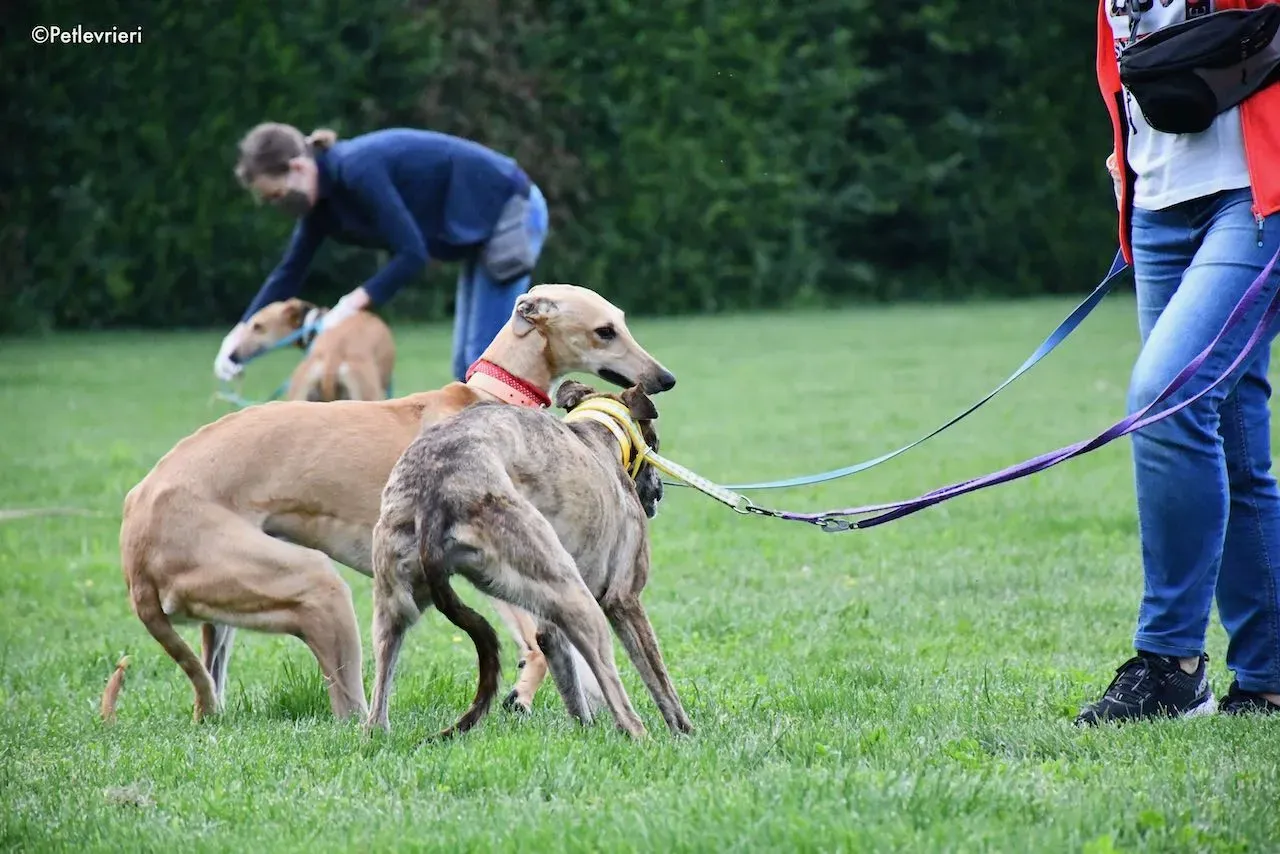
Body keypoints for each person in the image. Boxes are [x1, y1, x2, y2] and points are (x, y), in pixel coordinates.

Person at [1076, 0, 1280, 724]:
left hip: (1257, 195)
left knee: (1167, 395)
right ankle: (1267, 679)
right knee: (1232, 438)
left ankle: (1172, 665)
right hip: (1157, 201)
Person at [213, 123, 549, 384]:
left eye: (277, 195)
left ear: (298, 167)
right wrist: (239, 335)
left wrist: (349, 305)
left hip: (509, 208)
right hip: (481, 224)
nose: (278, 205)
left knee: (485, 365)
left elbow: (412, 254)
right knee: (467, 366)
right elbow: (289, 272)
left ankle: (525, 454)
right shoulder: (322, 206)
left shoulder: (358, 169)